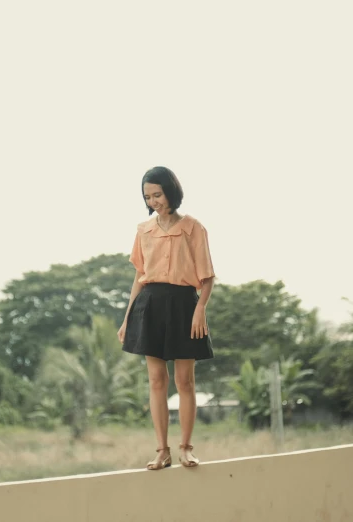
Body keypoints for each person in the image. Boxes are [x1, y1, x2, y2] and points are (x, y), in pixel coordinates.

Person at [117, 166, 216, 471]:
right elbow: (139, 275)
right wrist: (127, 317)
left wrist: (200, 309)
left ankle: (186, 448)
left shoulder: (193, 228)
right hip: (150, 305)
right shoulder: (143, 230)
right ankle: (163, 451)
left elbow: (208, 276)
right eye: (148, 196)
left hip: (184, 305)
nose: (153, 201)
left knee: (184, 380)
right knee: (156, 380)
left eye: (157, 194)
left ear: (171, 191)